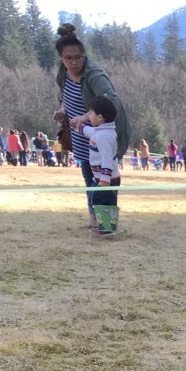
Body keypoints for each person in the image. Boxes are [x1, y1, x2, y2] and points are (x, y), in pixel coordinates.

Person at [54, 23, 129, 230]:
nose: (74, 62)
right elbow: (65, 96)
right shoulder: (63, 73)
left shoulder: (95, 74)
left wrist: (85, 116)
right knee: (89, 177)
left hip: (100, 132)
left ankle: (107, 224)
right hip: (81, 134)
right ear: (61, 58)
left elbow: (110, 100)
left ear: (84, 56)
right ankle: (94, 220)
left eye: (78, 57)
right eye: (68, 58)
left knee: (104, 180)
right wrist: (63, 111)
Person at [71, 94, 120, 236]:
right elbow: (89, 131)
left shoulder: (105, 136)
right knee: (98, 200)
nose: (88, 116)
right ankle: (105, 227)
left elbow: (107, 159)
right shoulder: (100, 132)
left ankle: (106, 230)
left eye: (90, 113)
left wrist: (104, 180)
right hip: (99, 177)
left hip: (107, 179)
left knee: (101, 201)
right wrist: (77, 126)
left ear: (100, 117)